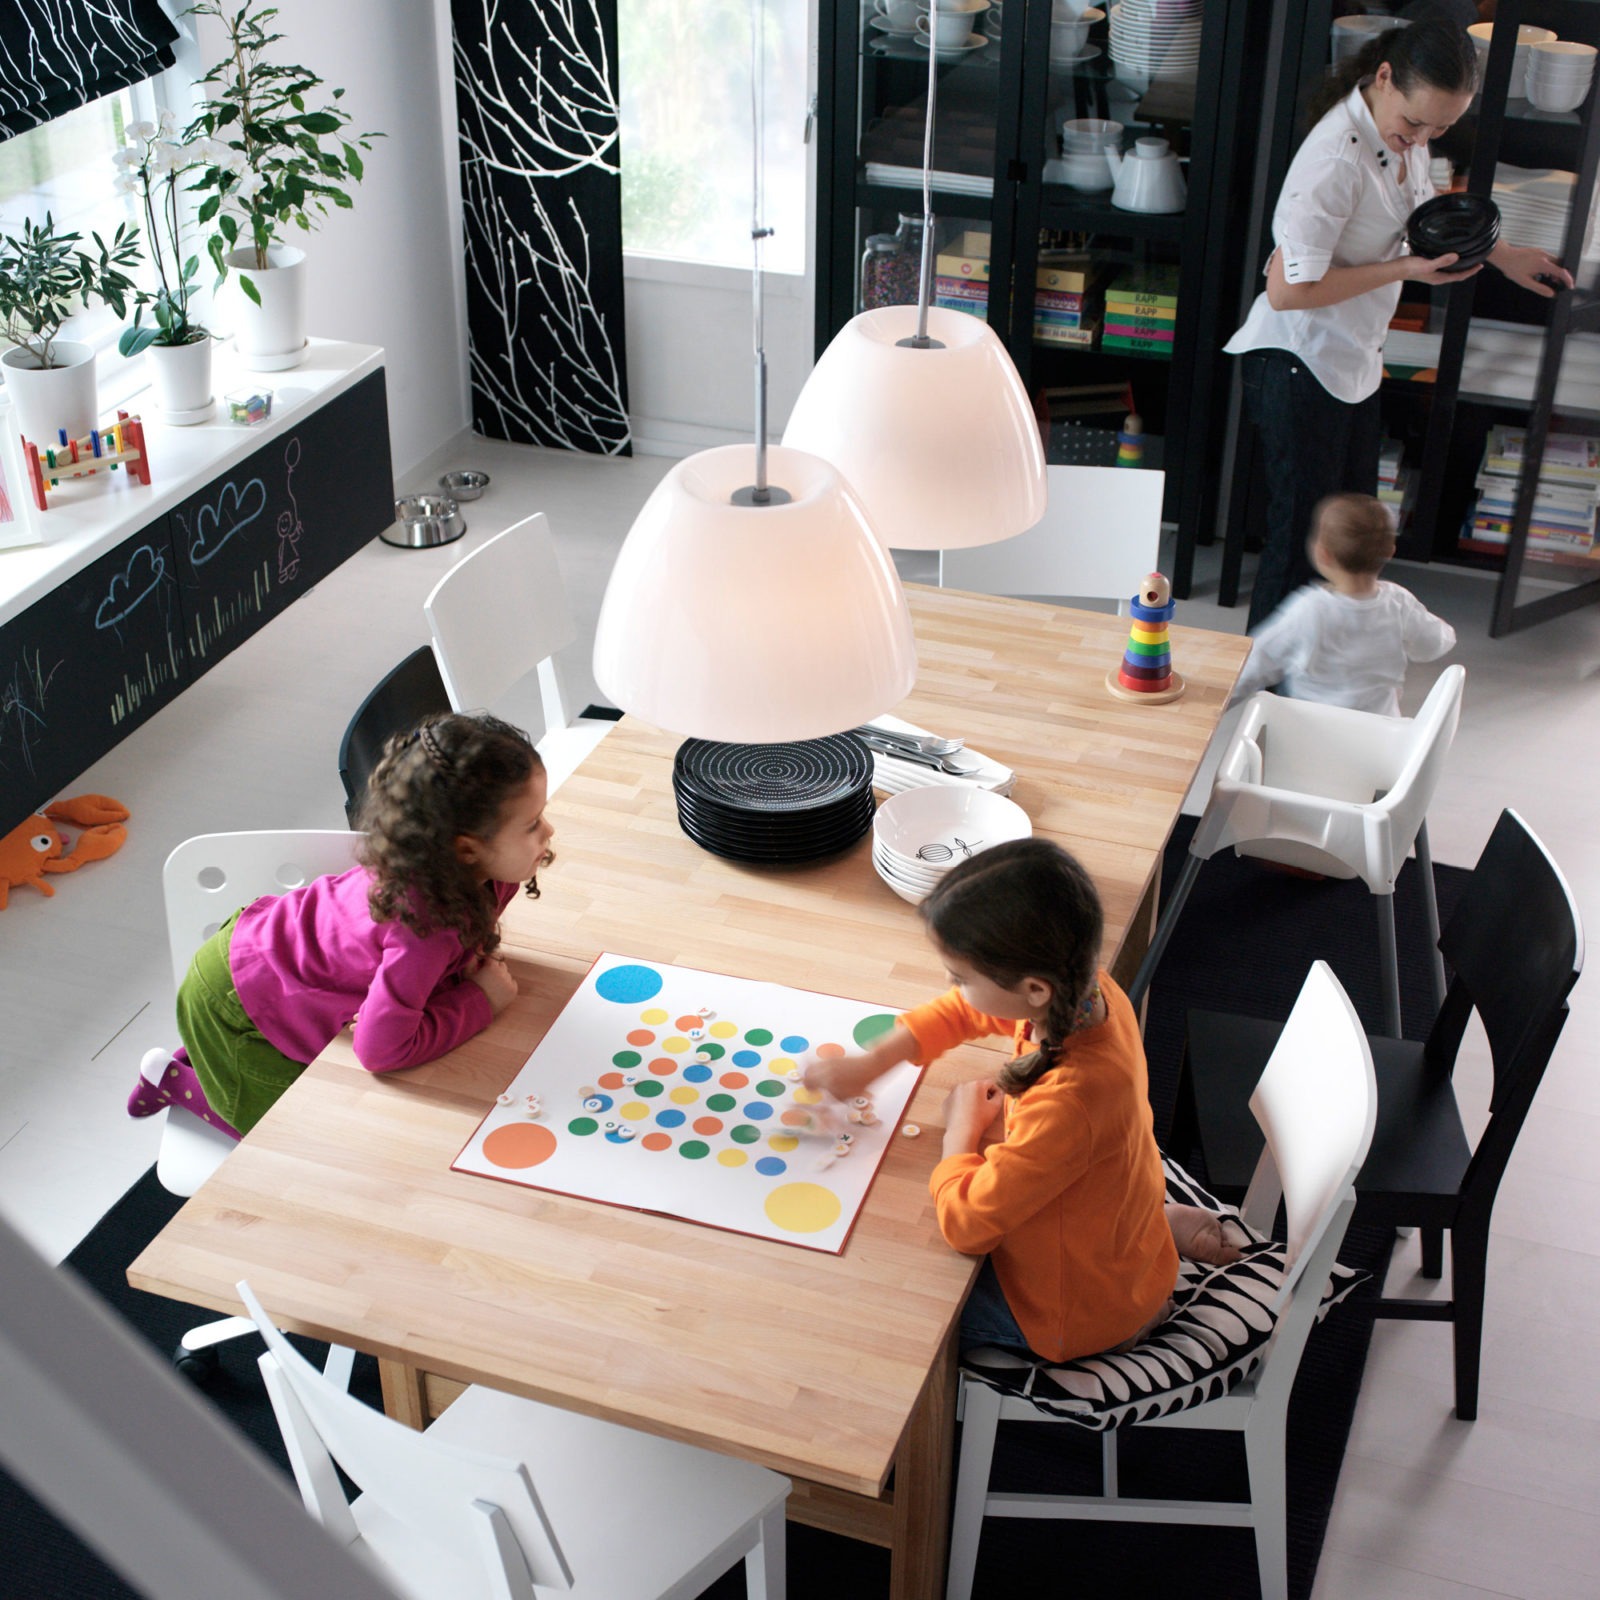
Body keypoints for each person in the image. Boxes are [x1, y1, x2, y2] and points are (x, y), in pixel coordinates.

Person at [805, 839, 1241, 1364]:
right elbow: (966, 1013)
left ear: (1034, 989)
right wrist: (872, 1064)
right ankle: (1156, 1242)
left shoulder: (1069, 1102)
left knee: (893, 1312)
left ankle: (1143, 1304)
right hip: (1117, 1246)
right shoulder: (1088, 993)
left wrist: (960, 1136)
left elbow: (966, 1226)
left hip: (1077, 1315)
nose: (952, 986)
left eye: (961, 977)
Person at [1226, 17, 1572, 630]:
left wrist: (1503, 254)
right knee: (1307, 544)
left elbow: (1419, 209)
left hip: (1351, 360)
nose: (1424, 138)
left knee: (1354, 537)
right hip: (1298, 362)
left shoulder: (1400, 132)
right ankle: (1266, 699)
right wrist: (1405, 268)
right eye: (1416, 123)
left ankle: (1329, 676)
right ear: (1384, 77)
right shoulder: (1335, 159)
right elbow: (1285, 291)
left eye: (1441, 127)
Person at [128, 713, 554, 1139]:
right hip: (238, 1003)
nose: (549, 831)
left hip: (272, 960)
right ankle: (177, 1084)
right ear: (466, 849)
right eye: (533, 824)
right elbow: (381, 1050)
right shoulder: (425, 927)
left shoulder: (475, 872)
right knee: (291, 1140)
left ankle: (211, 1058)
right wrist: (481, 1001)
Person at [1231, 491, 1456, 715]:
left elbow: (1257, 663)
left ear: (1323, 554)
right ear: (1390, 551)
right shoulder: (1399, 602)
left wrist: (1215, 704)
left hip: (1312, 734)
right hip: (1381, 735)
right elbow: (1435, 644)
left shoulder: (1309, 609)